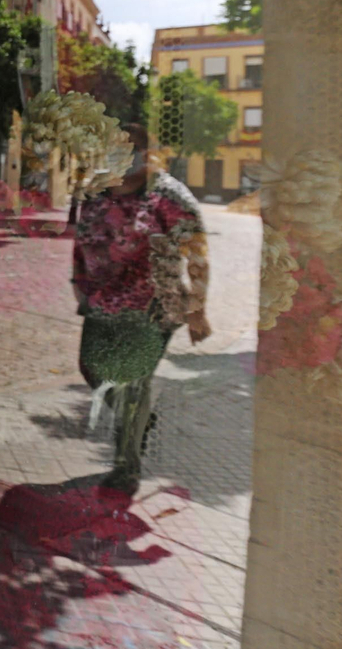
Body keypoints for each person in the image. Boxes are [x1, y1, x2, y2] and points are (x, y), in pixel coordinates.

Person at [71, 122, 210, 492]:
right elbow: (80, 241)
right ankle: (139, 420)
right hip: (101, 303)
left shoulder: (169, 196)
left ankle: (126, 467)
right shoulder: (96, 191)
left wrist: (197, 309)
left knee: (133, 384)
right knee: (93, 369)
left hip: (153, 307)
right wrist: (78, 284)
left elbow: (196, 253)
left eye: (131, 148)